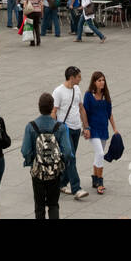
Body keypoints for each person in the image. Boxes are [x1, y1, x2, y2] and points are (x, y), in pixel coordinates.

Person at [21, 91, 73, 220]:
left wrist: (32, 160)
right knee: (53, 204)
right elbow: (67, 151)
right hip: (54, 172)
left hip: (38, 171)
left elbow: (25, 150)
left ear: (39, 107)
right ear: (52, 107)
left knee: (39, 205)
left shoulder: (31, 126)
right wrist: (60, 162)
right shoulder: (59, 127)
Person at [52, 65, 89, 199]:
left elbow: (81, 108)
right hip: (64, 129)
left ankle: (60, 183)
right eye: (79, 76)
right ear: (72, 78)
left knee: (68, 158)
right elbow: (53, 112)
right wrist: (54, 130)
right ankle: (76, 188)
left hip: (76, 128)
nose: (80, 79)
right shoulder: (58, 92)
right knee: (71, 157)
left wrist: (86, 127)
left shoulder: (77, 89)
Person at [82, 71, 118, 194]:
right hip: (93, 129)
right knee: (100, 153)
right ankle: (100, 181)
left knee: (98, 154)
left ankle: (94, 178)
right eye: (99, 80)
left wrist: (115, 129)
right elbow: (84, 112)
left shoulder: (106, 96)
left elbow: (110, 114)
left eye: (103, 80)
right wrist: (86, 128)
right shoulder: (88, 96)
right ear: (94, 82)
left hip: (103, 129)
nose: (102, 82)